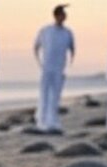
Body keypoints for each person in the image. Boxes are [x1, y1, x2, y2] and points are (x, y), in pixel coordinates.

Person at [33, 4, 75, 134]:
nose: (64, 17)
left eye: (64, 15)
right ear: (56, 15)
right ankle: (42, 121)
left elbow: (72, 49)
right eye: (61, 14)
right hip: (47, 67)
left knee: (56, 95)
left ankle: (53, 121)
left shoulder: (68, 33)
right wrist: (40, 63)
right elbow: (36, 47)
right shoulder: (45, 30)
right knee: (44, 94)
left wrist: (68, 63)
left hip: (59, 68)